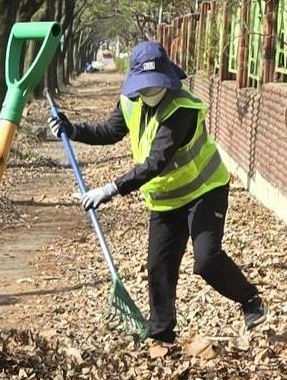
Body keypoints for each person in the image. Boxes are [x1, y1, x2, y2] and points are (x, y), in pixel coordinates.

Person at [50, 41, 265, 344]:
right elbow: (109, 132)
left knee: (207, 259)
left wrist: (110, 189)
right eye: (144, 87)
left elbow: (155, 162)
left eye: (155, 86)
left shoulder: (182, 109)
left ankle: (250, 300)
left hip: (205, 190)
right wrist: (73, 130)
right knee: (158, 267)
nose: (149, 92)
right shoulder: (130, 101)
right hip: (166, 199)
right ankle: (162, 332)